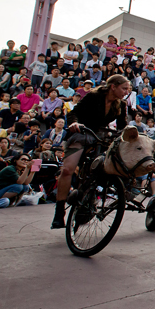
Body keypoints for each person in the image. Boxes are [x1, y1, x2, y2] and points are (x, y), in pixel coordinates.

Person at [51, 74, 130, 229]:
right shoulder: (93, 97)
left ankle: (93, 194)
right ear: (113, 86)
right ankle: (59, 212)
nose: (126, 91)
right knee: (67, 169)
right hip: (82, 134)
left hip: (101, 138)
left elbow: (122, 126)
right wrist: (74, 123)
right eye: (124, 88)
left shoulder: (121, 105)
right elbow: (73, 113)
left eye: (128, 89)